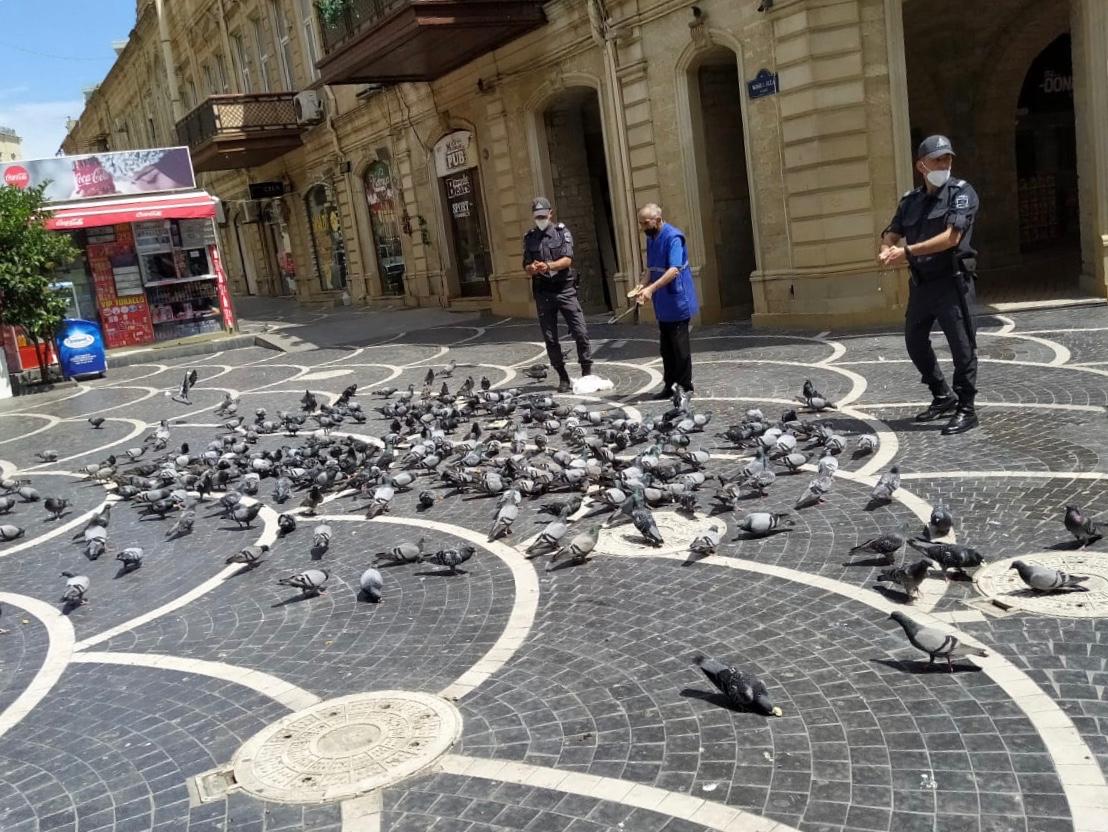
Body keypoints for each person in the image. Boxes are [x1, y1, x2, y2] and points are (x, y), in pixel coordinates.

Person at [879, 135, 980, 435]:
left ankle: (966, 408)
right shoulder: (910, 201)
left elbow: (952, 237)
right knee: (914, 341)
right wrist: (887, 246)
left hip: (952, 283)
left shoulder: (961, 193)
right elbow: (892, 230)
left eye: (948, 158)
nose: (944, 164)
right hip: (922, 285)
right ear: (921, 165)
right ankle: (942, 395)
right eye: (938, 160)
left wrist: (906, 251)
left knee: (962, 347)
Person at [522, 197, 592, 393]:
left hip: (564, 289)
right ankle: (563, 377)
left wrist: (549, 265)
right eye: (537, 217)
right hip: (543, 291)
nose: (541, 219)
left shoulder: (562, 233)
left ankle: (587, 373)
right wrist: (532, 268)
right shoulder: (529, 237)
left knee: (580, 332)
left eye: (544, 216)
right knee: (550, 338)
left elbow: (567, 260)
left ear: (550, 213)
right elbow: (525, 265)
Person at [633, 203, 700, 400]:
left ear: (658, 219)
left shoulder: (673, 237)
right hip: (663, 301)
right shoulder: (652, 237)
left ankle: (685, 386)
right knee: (666, 348)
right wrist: (641, 285)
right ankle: (669, 385)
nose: (643, 227)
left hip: (677, 298)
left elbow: (673, 269)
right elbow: (651, 268)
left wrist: (651, 289)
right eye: (641, 224)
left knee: (680, 348)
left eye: (645, 223)